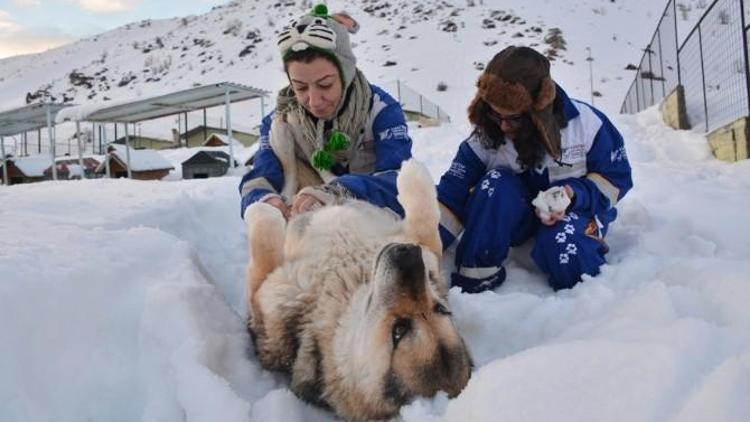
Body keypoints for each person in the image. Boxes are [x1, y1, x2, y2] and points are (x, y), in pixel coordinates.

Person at [437, 46, 633, 293]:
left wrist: (573, 194)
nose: (505, 127)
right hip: (518, 219)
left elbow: (616, 179)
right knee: (494, 183)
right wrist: (423, 245)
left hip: (574, 213)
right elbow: (450, 195)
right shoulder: (487, 134)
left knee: (566, 247)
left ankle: (581, 308)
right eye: (496, 116)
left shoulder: (587, 125)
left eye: (515, 119)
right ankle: (476, 278)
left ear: (539, 109)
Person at [239, 4, 412, 219]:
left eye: (326, 85)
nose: (314, 101)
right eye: (300, 87)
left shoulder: (381, 111)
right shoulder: (279, 123)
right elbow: (261, 178)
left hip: (371, 222)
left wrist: (337, 191)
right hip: (304, 226)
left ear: (345, 73)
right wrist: (266, 201)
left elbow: (399, 180)